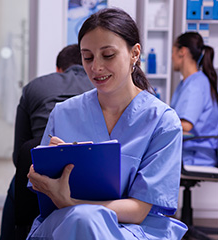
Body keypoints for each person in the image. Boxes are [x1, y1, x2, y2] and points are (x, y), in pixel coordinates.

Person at [26, 8, 188, 239]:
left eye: (108, 55)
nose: (96, 67)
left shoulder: (162, 121)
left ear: (134, 54)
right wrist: (40, 175)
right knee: (80, 220)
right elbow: (44, 187)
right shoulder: (64, 113)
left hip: (134, 228)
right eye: (88, 57)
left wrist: (71, 202)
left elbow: (140, 210)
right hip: (65, 222)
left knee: (84, 219)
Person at [0, 44, 94, 240]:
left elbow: (20, 155)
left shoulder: (35, 87)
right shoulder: (102, 88)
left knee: (16, 186)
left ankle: (16, 233)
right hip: (91, 174)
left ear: (58, 69)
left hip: (39, 175)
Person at [171, 32, 218, 167]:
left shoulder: (196, 85)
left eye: (173, 51)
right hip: (189, 153)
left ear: (182, 52)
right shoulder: (189, 83)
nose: (172, 57)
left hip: (195, 156)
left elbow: (186, 125)